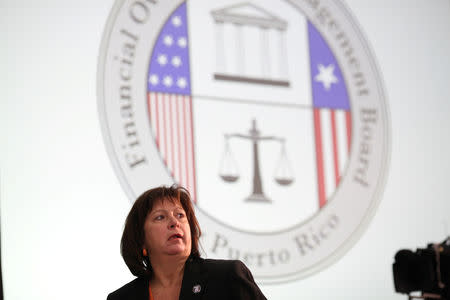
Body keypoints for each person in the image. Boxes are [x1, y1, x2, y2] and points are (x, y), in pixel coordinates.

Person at [107, 185, 267, 300]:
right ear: (141, 241)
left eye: (180, 215)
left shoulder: (228, 277)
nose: (174, 222)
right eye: (160, 217)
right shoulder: (122, 298)